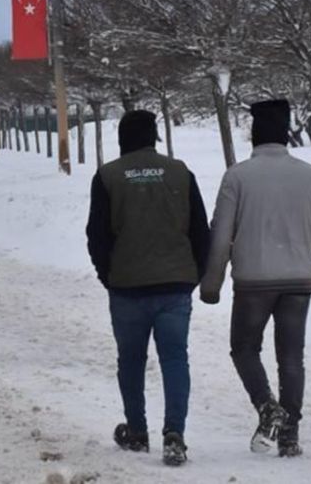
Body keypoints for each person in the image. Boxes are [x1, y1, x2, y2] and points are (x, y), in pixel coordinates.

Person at [199, 99, 311, 458]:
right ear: (286, 135)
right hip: (299, 280)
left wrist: (212, 282)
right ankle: (289, 436)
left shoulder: (237, 176)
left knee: (245, 349)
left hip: (253, 281)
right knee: (292, 357)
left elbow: (221, 233)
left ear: (254, 136)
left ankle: (268, 407)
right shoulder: (310, 176)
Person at [85, 110, 211, 467]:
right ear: (154, 137)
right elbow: (200, 230)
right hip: (175, 285)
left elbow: (97, 235)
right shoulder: (180, 173)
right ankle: (175, 434)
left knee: (131, 359)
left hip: (127, 286)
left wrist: (108, 274)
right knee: (174, 357)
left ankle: (137, 431)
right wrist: (193, 273)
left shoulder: (108, 176)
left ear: (122, 139)